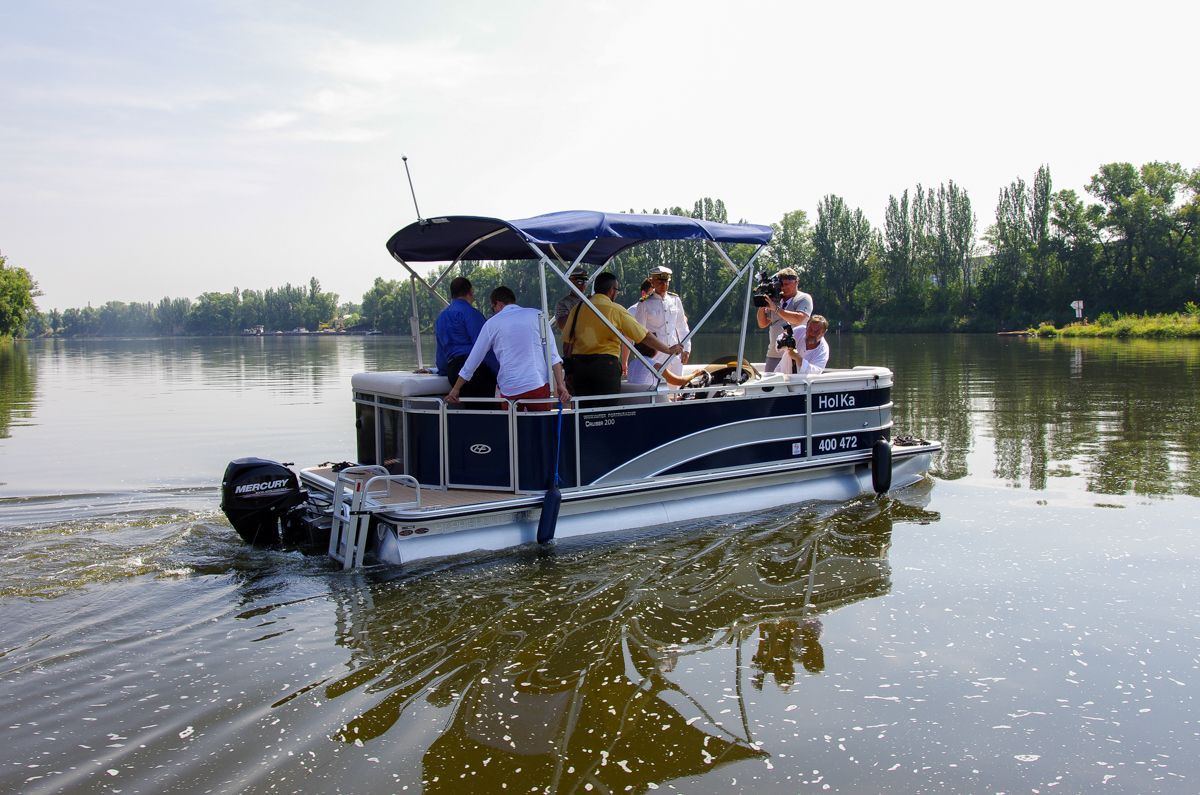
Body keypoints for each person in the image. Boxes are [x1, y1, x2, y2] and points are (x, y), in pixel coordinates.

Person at [562, 272, 683, 407]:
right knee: (607, 411)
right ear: (611, 290)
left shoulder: (577, 309)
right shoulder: (615, 310)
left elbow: (567, 342)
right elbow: (644, 336)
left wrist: (569, 371)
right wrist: (668, 349)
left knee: (583, 410)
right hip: (605, 368)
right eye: (617, 290)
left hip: (580, 368)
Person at [446, 286, 570, 411]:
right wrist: (560, 385)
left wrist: (456, 389)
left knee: (512, 429)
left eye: (492, 308)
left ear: (498, 304)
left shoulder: (491, 324)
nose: (493, 311)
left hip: (510, 390)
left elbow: (473, 361)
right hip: (537, 385)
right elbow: (553, 356)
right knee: (542, 428)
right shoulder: (538, 315)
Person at [430, 276, 498, 398]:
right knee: (487, 409)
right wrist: (498, 371)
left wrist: (442, 370)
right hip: (475, 371)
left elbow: (441, 353)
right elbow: (483, 347)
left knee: (469, 409)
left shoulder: (441, 318)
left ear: (452, 294)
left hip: (453, 372)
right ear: (470, 292)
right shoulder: (472, 314)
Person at [625, 266, 691, 384]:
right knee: (656, 387)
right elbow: (640, 335)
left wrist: (687, 349)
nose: (664, 285)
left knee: (674, 391)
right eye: (660, 282)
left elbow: (682, 327)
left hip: (675, 354)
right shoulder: (644, 304)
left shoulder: (675, 300)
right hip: (655, 355)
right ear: (652, 282)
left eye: (666, 282)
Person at [757, 267, 813, 373]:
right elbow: (762, 324)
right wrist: (762, 304)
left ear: (796, 282)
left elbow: (799, 319)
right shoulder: (776, 299)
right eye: (782, 285)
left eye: (787, 284)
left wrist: (776, 309)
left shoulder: (803, 298)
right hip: (773, 354)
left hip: (795, 354)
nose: (784, 288)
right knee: (768, 387)